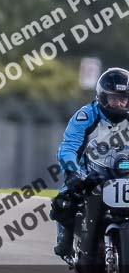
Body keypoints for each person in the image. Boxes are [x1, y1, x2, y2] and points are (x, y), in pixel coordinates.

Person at [51, 67, 129, 258]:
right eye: (114, 98)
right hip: (91, 175)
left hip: (125, 173)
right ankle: (66, 240)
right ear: (102, 96)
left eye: (124, 98)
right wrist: (72, 172)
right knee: (64, 202)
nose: (120, 103)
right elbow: (69, 147)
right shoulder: (86, 116)